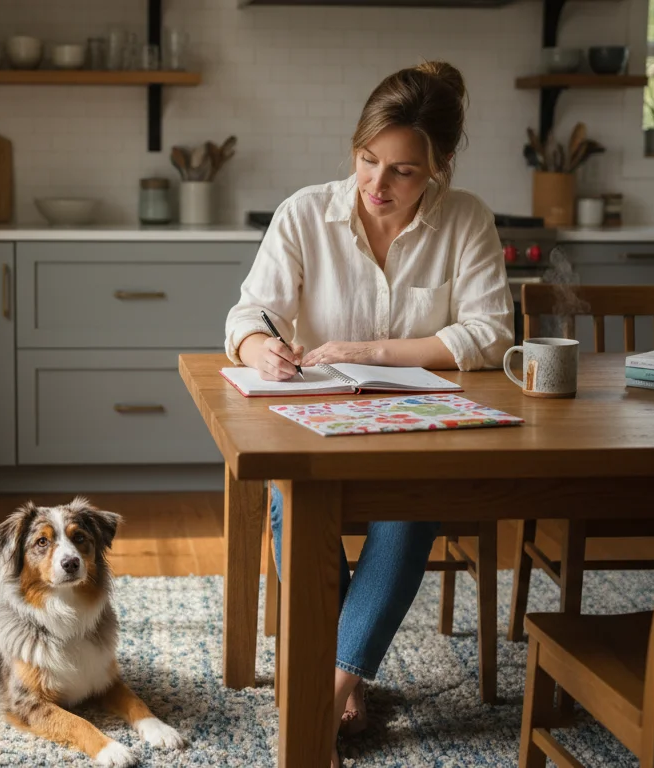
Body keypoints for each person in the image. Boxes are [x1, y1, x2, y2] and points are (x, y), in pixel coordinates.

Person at [223, 61, 513, 766]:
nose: (377, 186)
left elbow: (491, 336)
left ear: (440, 167)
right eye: (366, 161)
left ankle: (332, 685)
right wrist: (261, 347)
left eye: (404, 172)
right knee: (299, 498)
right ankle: (344, 680)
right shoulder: (303, 214)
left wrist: (370, 350)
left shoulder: (467, 218)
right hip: (316, 425)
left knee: (412, 504)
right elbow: (245, 314)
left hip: (425, 432)